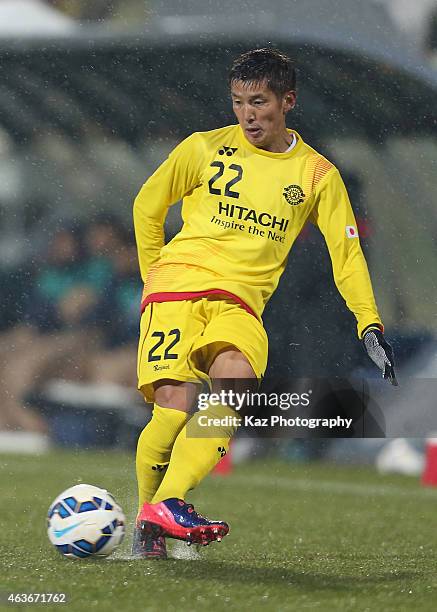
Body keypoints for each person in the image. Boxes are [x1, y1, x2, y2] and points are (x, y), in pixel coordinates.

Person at [132, 48, 397, 559]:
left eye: (259, 102)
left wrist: (369, 322)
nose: (248, 115)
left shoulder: (317, 175)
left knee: (234, 383)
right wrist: (153, 278)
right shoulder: (202, 148)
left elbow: (347, 253)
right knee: (172, 412)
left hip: (239, 306)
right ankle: (153, 521)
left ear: (287, 101)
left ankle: (164, 506)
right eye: (238, 102)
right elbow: (148, 204)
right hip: (175, 290)